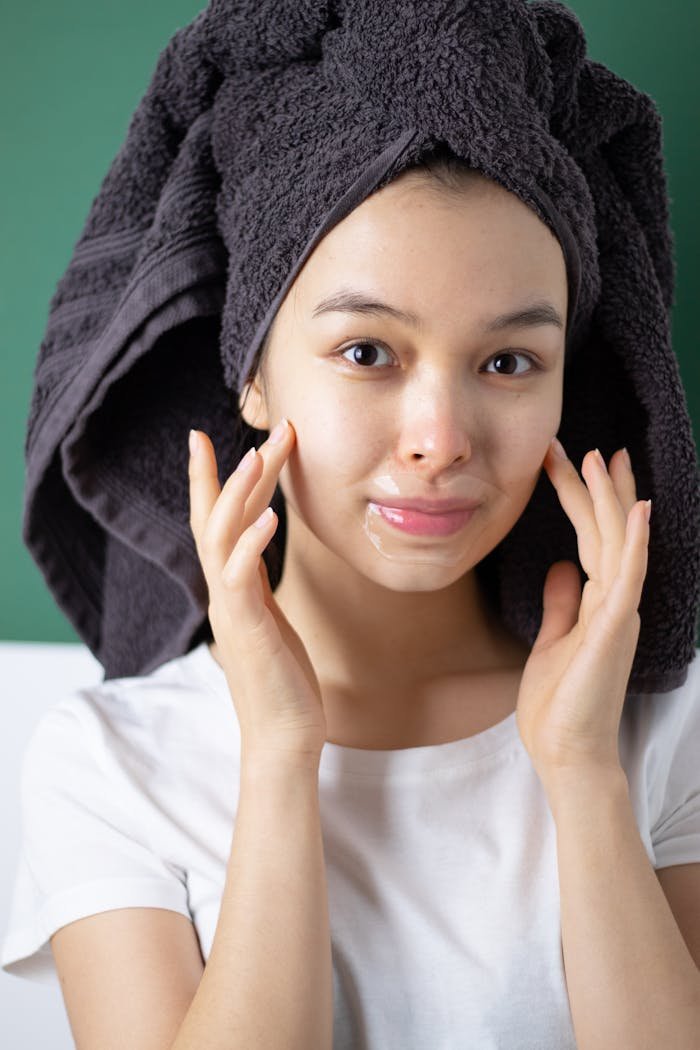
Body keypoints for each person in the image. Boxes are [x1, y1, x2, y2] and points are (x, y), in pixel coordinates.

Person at [3, 5, 700, 1050]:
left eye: (508, 363)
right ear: (250, 374)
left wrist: (581, 772)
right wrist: (280, 754)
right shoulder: (111, 764)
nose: (440, 439)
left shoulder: (656, 731)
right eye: (367, 353)